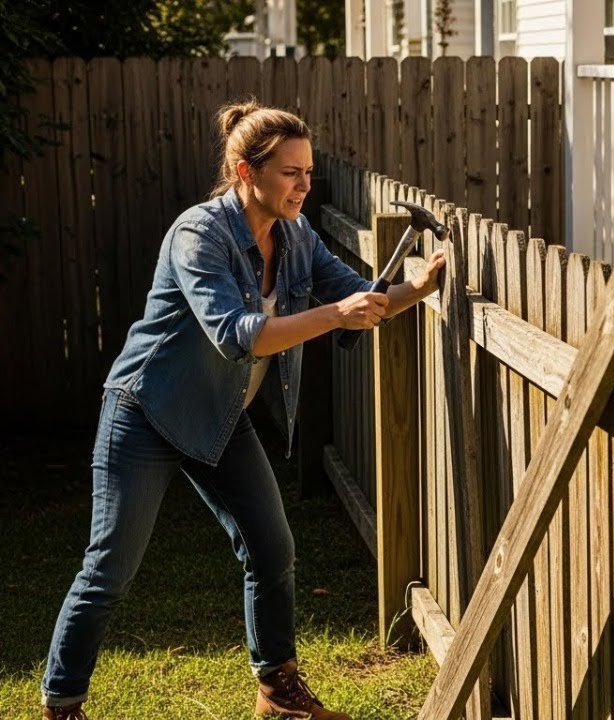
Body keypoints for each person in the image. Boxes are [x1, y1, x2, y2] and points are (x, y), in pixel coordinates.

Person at [39, 100, 447, 720]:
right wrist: (338, 314)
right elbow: (239, 333)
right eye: (290, 172)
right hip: (145, 411)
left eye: (308, 171)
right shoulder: (198, 234)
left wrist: (417, 288)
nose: (305, 185)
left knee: (272, 547)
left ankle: (278, 692)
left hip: (221, 413)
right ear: (243, 171)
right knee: (110, 568)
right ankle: (62, 704)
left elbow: (355, 297)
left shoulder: (297, 235)